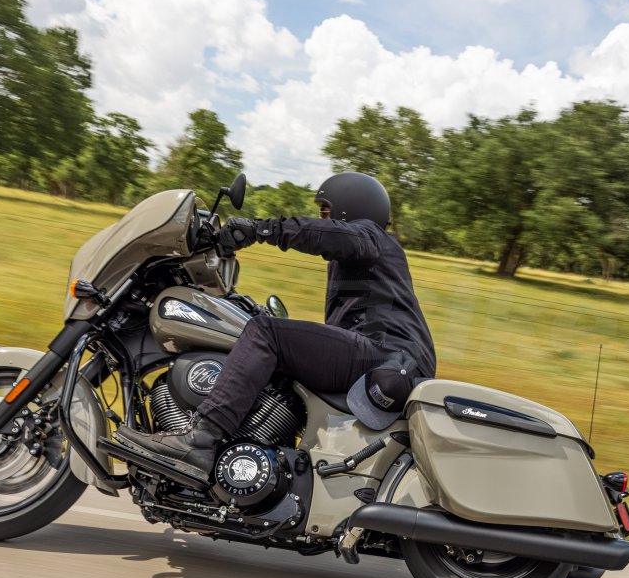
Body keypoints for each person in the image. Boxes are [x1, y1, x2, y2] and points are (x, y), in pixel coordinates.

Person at [116, 171, 436, 482]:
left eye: (326, 213)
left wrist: (260, 230)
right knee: (270, 344)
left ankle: (200, 441)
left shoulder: (369, 237)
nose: (323, 220)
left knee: (265, 333)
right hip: (385, 354)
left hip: (385, 355)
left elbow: (329, 235)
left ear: (348, 211)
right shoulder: (367, 256)